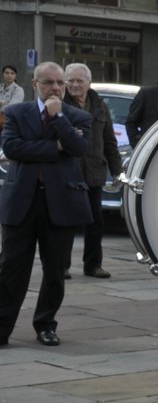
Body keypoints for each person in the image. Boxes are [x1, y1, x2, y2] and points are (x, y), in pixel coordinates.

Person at [0, 63, 91, 347]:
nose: (55, 88)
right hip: (22, 202)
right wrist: (54, 148)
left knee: (55, 271)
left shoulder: (78, 116)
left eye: (60, 83)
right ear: (34, 84)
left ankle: (46, 325)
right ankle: (2, 328)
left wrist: (59, 117)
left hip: (60, 202)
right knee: (12, 269)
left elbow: (78, 149)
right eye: (49, 82)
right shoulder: (16, 113)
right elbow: (12, 148)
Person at [62, 63, 121, 279]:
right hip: (68, 172)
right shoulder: (59, 104)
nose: (75, 85)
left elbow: (109, 141)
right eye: (71, 80)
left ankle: (93, 265)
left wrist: (117, 171)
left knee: (96, 221)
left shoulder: (100, 105)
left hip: (94, 171)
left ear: (89, 82)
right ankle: (62, 266)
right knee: (66, 221)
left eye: (80, 81)